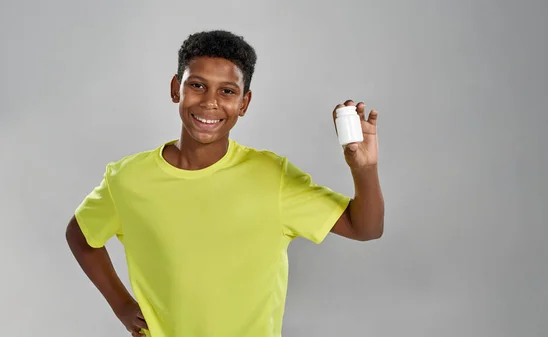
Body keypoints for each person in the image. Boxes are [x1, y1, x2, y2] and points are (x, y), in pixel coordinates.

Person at [65, 30, 384, 337]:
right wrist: (121, 305)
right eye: (197, 85)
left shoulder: (272, 177)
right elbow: (80, 235)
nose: (210, 102)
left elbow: (365, 228)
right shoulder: (128, 178)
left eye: (227, 91)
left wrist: (364, 169)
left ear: (244, 103)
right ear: (176, 88)